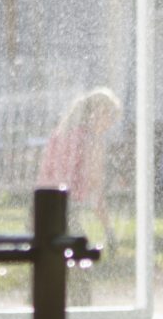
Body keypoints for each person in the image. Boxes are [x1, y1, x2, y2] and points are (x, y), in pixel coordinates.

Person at [38, 87, 121, 255]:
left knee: (54, 261)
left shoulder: (60, 133)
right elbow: (95, 188)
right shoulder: (92, 141)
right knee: (81, 262)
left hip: (40, 206)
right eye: (111, 119)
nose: (110, 126)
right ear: (100, 112)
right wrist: (109, 230)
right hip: (64, 208)